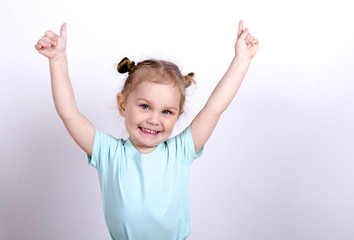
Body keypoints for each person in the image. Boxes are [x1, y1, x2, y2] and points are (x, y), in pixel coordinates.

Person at [35, 20, 259, 240]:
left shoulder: (180, 151)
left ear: (178, 116)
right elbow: (69, 114)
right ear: (123, 105)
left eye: (167, 112)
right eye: (145, 106)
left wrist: (242, 59)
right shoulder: (108, 152)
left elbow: (213, 109)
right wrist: (57, 59)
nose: (154, 119)